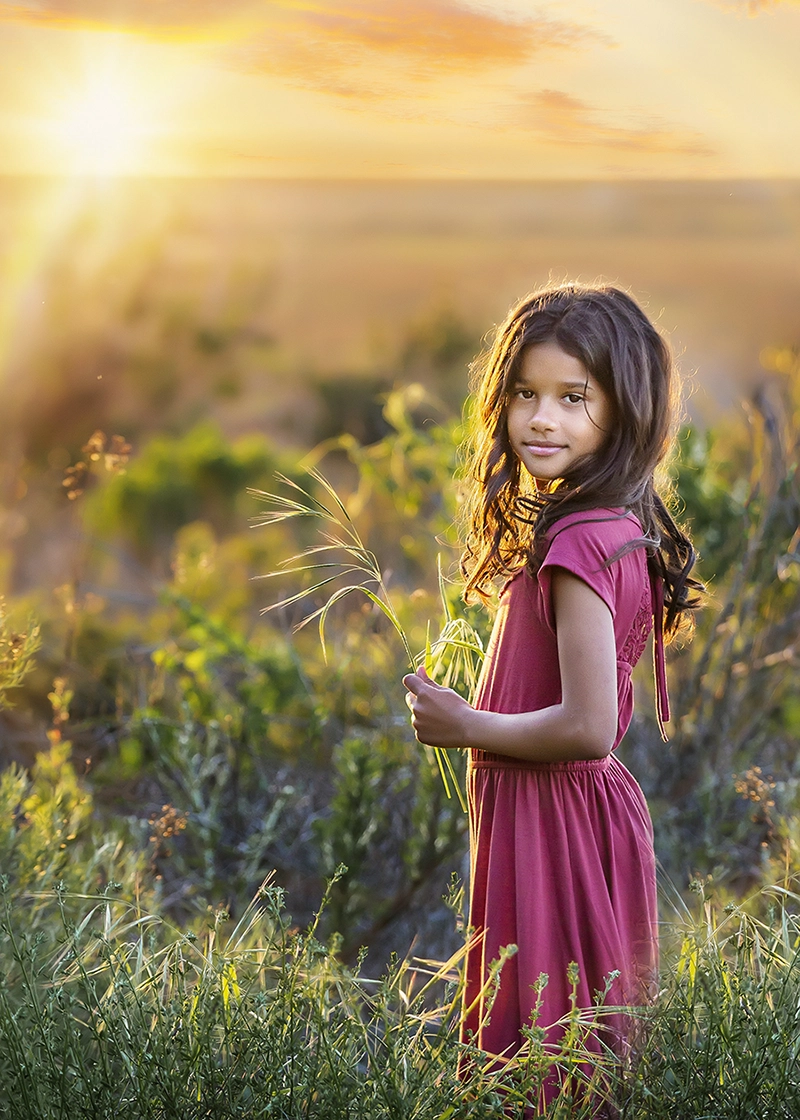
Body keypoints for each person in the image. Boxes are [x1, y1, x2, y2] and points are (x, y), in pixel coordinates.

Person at [403, 283, 702, 1090]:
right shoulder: (608, 522)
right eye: (526, 395)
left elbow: (587, 726)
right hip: (571, 815)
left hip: (556, 819)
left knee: (541, 1065)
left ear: (625, 408)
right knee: (573, 1056)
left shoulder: (577, 539)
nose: (543, 419)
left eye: (575, 398)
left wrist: (465, 723)